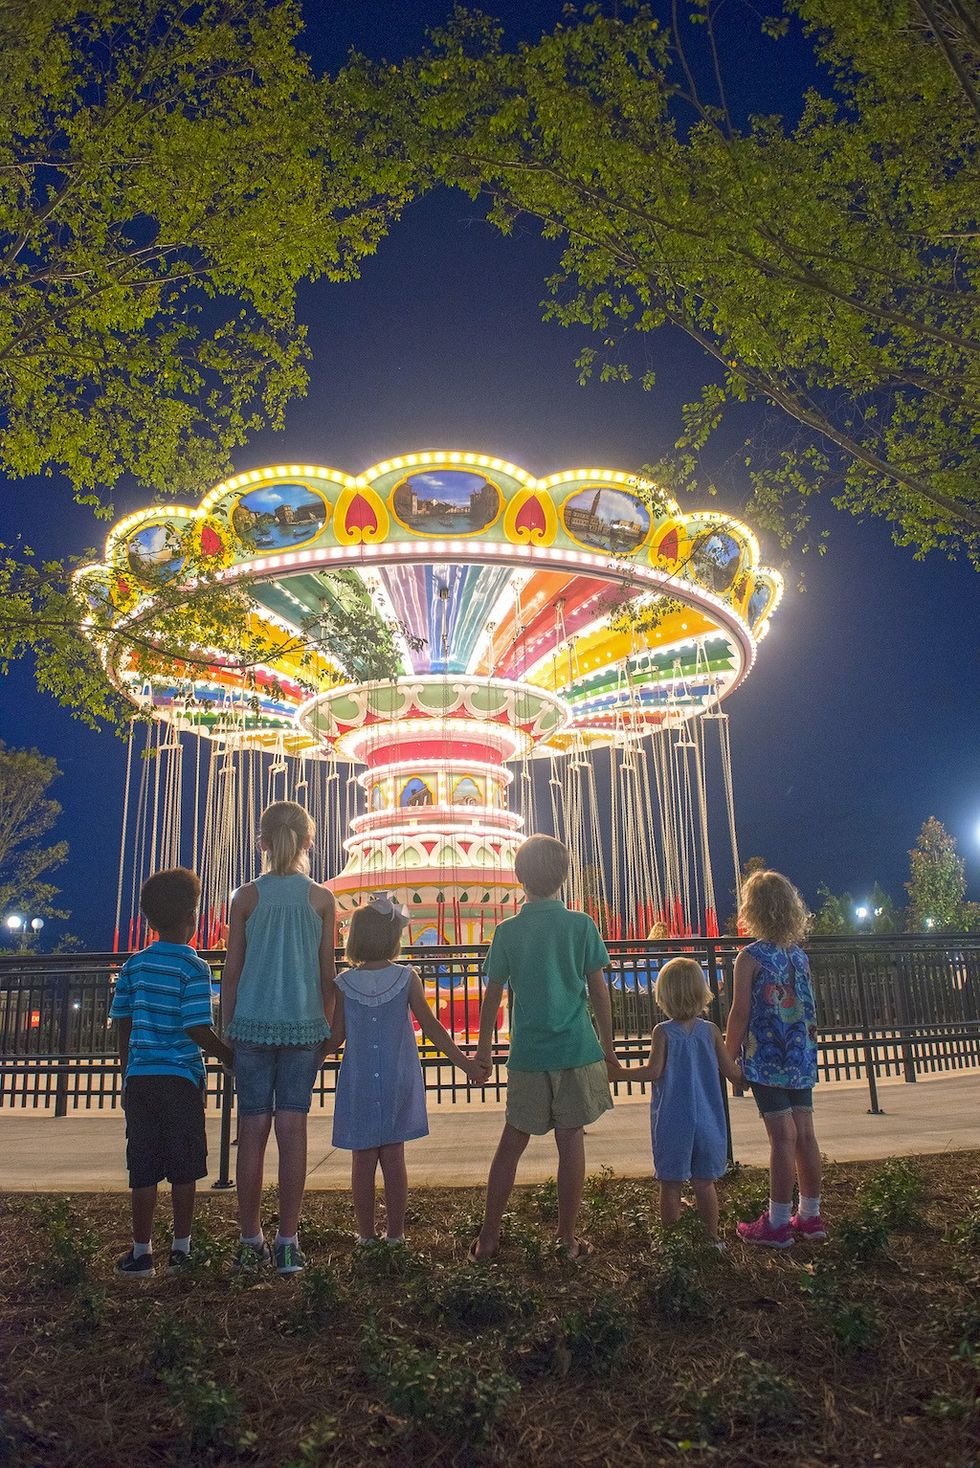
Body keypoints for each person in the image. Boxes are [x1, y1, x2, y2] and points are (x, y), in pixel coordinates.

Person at [470, 834, 619, 1262]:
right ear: (563, 876)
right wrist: (608, 1045)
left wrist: (484, 1050)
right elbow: (599, 990)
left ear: (519, 877)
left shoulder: (507, 932)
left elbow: (492, 995)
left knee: (512, 1143)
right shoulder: (581, 925)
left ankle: (488, 1237)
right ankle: (566, 1239)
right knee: (571, 1142)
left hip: (529, 1054)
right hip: (576, 1049)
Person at [327, 895, 487, 1244]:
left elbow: (336, 1036)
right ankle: (396, 1234)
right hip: (397, 1076)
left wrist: (305, 1062)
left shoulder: (344, 983)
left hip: (358, 1080)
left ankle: (366, 1235)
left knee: (362, 1160)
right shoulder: (405, 978)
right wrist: (466, 1064)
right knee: (394, 1157)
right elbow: (432, 1027)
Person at [223, 801, 336, 1275]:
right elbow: (328, 977)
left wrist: (227, 1031)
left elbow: (232, 972)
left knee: (252, 1131)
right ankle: (288, 1240)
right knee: (293, 1130)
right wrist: (325, 1030)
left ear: (262, 843)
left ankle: (251, 1240)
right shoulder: (322, 900)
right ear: (309, 841)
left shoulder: (245, 898)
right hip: (303, 1026)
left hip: (250, 1025)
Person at [110, 867, 233, 1279]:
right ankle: (181, 1249)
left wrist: (127, 1073)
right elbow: (196, 1026)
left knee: (142, 1166)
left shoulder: (134, 966)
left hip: (141, 1079)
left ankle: (141, 1251)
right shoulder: (194, 967)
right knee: (185, 1166)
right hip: (181, 1078)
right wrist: (227, 1055)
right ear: (191, 918)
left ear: (150, 920)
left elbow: (122, 1023)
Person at [724, 869, 825, 1248]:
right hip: (800, 1055)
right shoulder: (799, 956)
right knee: (805, 1134)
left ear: (753, 910)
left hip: (766, 1056)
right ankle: (810, 1216)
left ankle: (778, 1222)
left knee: (781, 1137)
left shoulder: (750, 957)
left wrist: (728, 1056)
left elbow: (740, 1012)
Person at [613, 957, 742, 1246]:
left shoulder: (663, 1032)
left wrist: (619, 1073)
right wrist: (750, 1077)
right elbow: (731, 1071)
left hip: (672, 1119)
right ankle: (711, 1239)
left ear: (664, 995)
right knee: (704, 1183)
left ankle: (672, 1243)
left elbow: (653, 1071)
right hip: (708, 1119)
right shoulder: (710, 1031)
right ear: (702, 992)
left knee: (670, 1183)